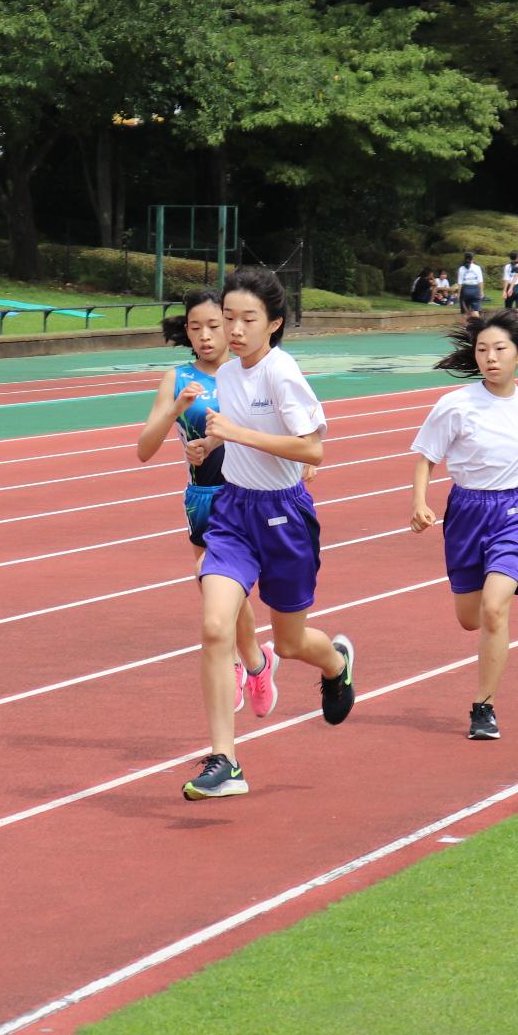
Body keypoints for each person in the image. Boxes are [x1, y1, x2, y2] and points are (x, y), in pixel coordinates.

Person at [183, 268, 355, 800]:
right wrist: (211, 447)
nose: (233, 329)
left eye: (246, 319)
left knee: (289, 641)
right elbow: (233, 435)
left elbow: (313, 449)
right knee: (215, 626)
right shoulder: (229, 375)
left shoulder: (282, 374)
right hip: (233, 512)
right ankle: (225, 761)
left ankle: (336, 663)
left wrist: (235, 433)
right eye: (228, 317)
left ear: (274, 323)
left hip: (284, 518)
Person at [409, 311, 518, 741]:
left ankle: (483, 707)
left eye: (500, 349)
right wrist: (420, 502)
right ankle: (485, 634)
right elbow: (427, 457)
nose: (490, 357)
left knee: (494, 609)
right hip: (466, 511)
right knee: (469, 619)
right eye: (482, 350)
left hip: (517, 511)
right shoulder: (455, 405)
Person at [136, 289, 279, 725]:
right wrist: (177, 409)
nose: (205, 336)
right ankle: (252, 662)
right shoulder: (178, 379)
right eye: (195, 327)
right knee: (216, 589)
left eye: (214, 326)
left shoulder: (251, 373)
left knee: (233, 592)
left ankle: (251, 660)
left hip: (253, 496)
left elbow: (286, 427)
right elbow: (144, 448)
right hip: (204, 498)